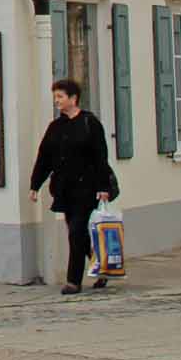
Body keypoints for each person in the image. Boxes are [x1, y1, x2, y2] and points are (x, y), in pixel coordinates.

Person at [29, 78, 116, 295]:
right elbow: (44, 158)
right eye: (55, 97)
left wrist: (103, 186)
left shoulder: (90, 123)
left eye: (60, 96)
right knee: (78, 233)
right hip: (64, 189)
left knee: (76, 231)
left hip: (88, 187)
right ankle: (100, 266)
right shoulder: (55, 127)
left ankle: (73, 281)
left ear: (73, 98)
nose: (57, 101)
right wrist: (35, 185)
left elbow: (100, 157)